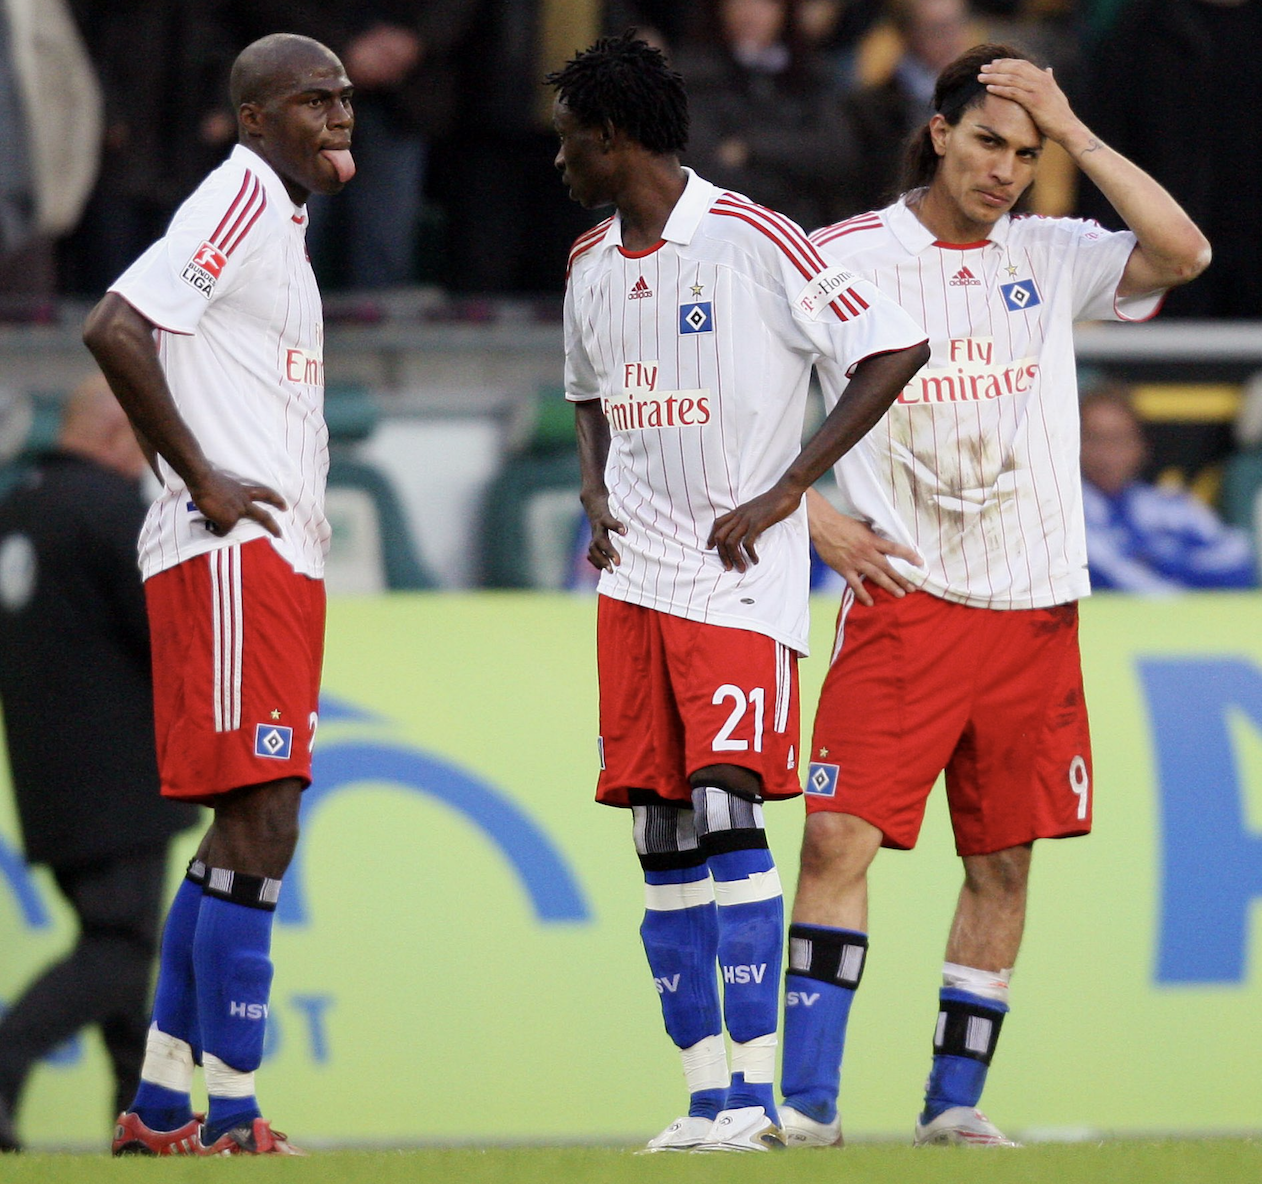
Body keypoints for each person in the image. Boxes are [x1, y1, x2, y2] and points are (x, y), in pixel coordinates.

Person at [774, 43, 1209, 1147]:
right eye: (985, 142)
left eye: (1022, 153)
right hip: (904, 602)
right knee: (833, 837)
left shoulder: (1050, 254)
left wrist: (1074, 129)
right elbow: (744, 400)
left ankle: (951, 1105)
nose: (1003, 171)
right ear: (937, 132)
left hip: (1031, 606)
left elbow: (1182, 250)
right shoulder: (841, 258)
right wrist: (810, 511)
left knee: (1001, 856)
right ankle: (806, 1104)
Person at [548, 32, 929, 1152]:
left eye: (569, 140)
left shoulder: (752, 237)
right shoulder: (585, 262)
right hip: (636, 583)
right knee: (659, 830)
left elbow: (891, 350)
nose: (558, 159)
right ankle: (706, 1090)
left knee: (725, 809)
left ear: (611, 137)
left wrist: (788, 490)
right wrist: (589, 484)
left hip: (734, 583)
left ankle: (759, 1099)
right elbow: (583, 389)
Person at [82, 32, 354, 1156]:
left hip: (274, 556)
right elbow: (115, 325)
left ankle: (156, 1105)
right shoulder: (239, 194)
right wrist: (200, 478)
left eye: (344, 98)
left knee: (243, 823)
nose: (340, 114)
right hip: (230, 551)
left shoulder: (280, 224)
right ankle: (235, 1114)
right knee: (265, 814)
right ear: (254, 118)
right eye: (312, 100)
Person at [0, 374, 198, 1153]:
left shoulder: (19, 506)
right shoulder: (114, 512)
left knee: (121, 943)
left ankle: (142, 1119)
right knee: (119, 949)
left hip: (46, 776)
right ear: (122, 435)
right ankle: (8, 1062)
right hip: (119, 774)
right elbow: (167, 635)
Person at [1079, 384, 1256, 593]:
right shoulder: (1059, 514)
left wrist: (1165, 558)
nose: (1107, 454)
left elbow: (1240, 562)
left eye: (1119, 439)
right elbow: (1104, 574)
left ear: (1140, 446)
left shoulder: (1172, 506)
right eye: (1095, 439)